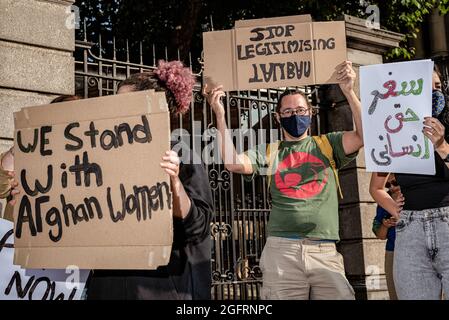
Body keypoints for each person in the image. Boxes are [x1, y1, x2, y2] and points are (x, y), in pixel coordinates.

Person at [203, 61, 363, 300]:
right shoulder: (270, 152)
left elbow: (364, 135)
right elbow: (233, 163)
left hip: (325, 251)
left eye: (300, 110)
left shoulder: (328, 144)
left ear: (311, 113)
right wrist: (220, 114)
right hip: (281, 252)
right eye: (287, 112)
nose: (294, 115)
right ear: (278, 117)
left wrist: (349, 91)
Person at [86, 60, 214, 300]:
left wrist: (174, 184)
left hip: (160, 289)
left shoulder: (182, 154)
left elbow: (197, 227)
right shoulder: (102, 157)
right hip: (108, 286)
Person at [370, 67, 449, 300]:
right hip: (410, 233)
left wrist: (441, 146)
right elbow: (375, 188)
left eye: (438, 87)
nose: (435, 93)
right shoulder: (393, 130)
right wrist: (397, 210)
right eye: (428, 88)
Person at [1, 95, 80, 220]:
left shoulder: (92, 158)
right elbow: (1, 189)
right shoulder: (27, 151)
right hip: (26, 229)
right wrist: (16, 150)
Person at [371, 174, 403, 300]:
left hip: (415, 248)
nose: (392, 187)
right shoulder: (383, 200)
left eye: (395, 182)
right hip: (393, 250)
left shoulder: (414, 193)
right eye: (388, 185)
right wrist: (385, 225)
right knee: (394, 291)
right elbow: (380, 235)